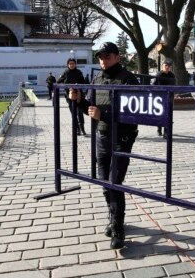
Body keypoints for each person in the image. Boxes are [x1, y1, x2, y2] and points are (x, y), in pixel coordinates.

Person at [68, 42, 139, 249]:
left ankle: (118, 228)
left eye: (107, 56)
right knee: (104, 183)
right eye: (100, 57)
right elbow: (90, 109)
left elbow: (133, 113)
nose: (103, 60)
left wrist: (104, 115)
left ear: (117, 57)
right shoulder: (97, 78)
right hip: (102, 137)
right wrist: (79, 100)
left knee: (114, 182)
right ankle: (113, 217)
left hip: (122, 138)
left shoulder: (128, 79)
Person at [58, 57, 87, 135]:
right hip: (69, 96)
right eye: (70, 64)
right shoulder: (65, 72)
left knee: (80, 113)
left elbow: (83, 83)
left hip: (79, 96)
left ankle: (82, 129)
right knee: (73, 114)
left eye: (73, 63)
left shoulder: (79, 72)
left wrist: (81, 84)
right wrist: (66, 86)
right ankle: (77, 129)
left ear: (75, 64)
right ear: (68, 65)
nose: (71, 65)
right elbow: (58, 81)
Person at [153, 58, 176, 138]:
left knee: (168, 115)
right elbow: (154, 85)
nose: (167, 67)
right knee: (160, 115)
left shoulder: (172, 75)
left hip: (169, 98)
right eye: (166, 65)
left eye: (169, 66)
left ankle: (166, 132)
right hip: (160, 98)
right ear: (162, 66)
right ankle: (159, 129)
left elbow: (173, 86)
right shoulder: (159, 75)